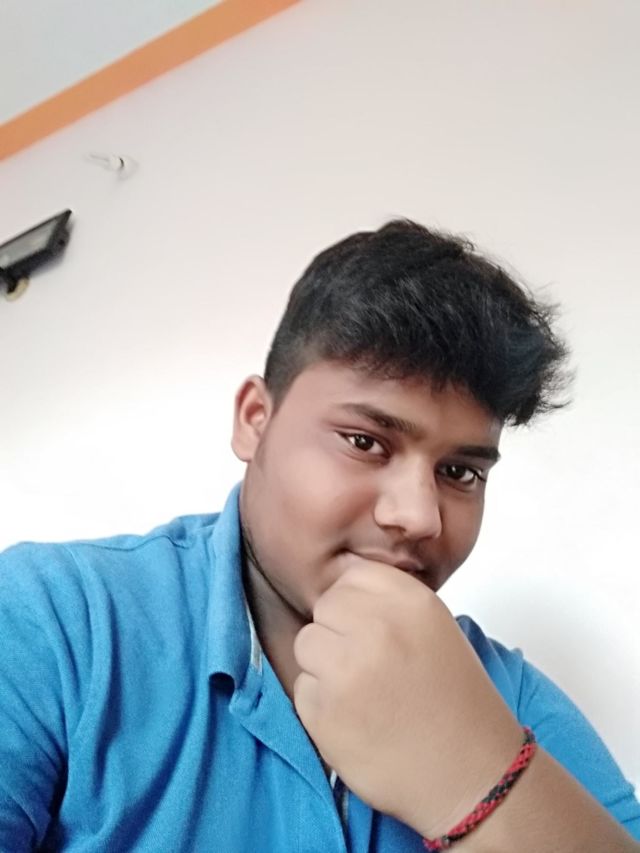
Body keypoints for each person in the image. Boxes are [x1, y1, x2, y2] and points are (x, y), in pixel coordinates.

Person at [1, 220, 638, 852]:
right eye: (365, 442)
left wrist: (476, 780)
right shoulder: (55, 621)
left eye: (460, 473)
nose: (420, 517)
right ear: (255, 420)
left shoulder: (506, 693)